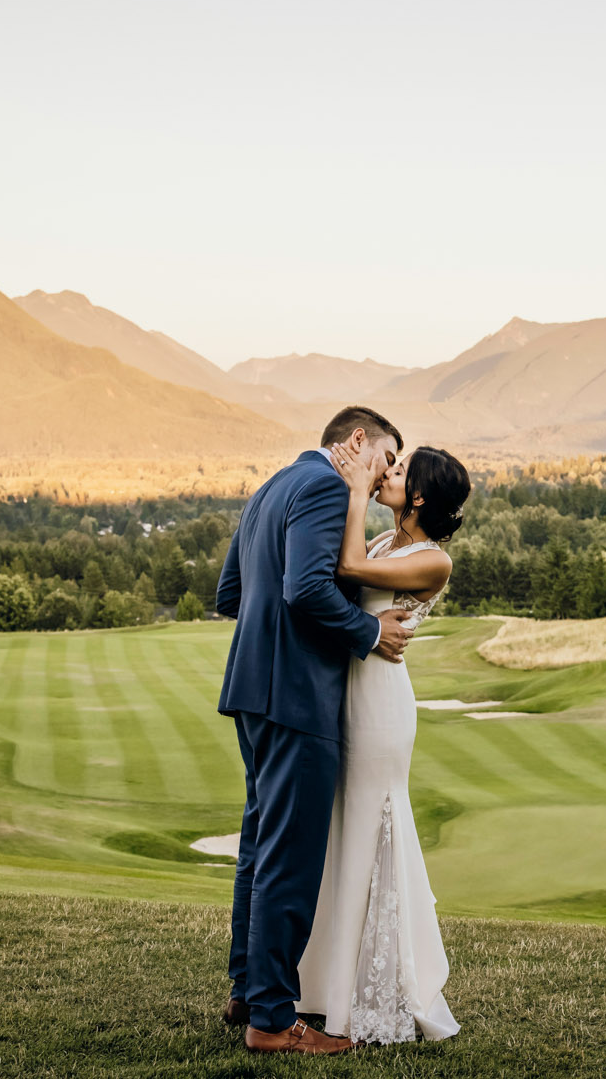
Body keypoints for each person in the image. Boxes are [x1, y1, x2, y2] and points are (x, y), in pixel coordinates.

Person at [216, 406, 413, 1056]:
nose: (385, 474)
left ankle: (249, 990)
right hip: (298, 695)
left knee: (260, 846)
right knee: (290, 859)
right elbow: (305, 589)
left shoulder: (273, 485)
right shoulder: (329, 487)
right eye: (385, 458)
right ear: (356, 441)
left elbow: (231, 594)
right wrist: (368, 631)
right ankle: (273, 1020)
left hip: (252, 690)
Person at [296, 442, 471, 1044]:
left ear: (418, 495)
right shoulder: (385, 541)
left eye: (396, 472)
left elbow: (347, 570)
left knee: (373, 826)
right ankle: (324, 984)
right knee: (343, 830)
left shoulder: (432, 561)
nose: (386, 475)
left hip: (381, 707)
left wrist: (353, 488)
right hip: (349, 694)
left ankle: (377, 990)